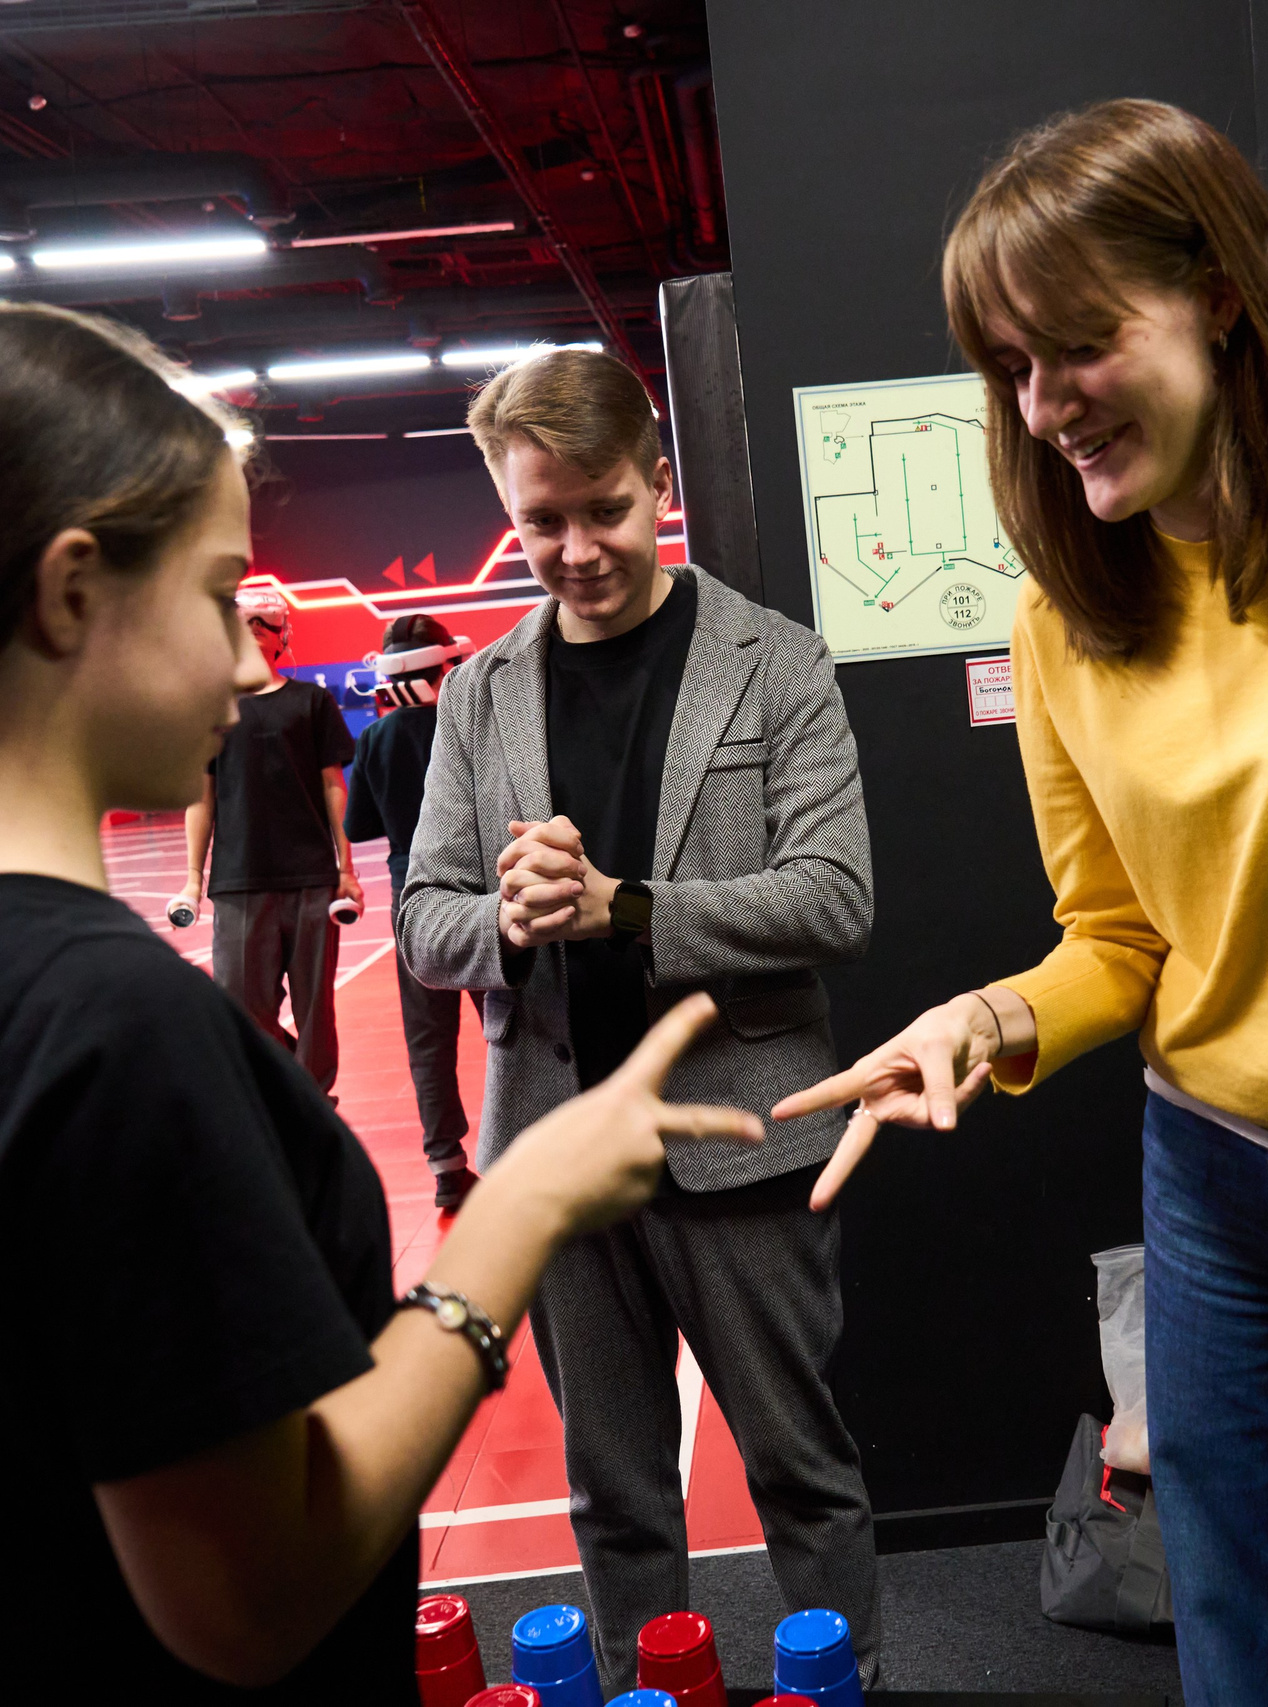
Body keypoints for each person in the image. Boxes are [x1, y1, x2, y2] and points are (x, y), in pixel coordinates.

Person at [0, 298, 762, 1701]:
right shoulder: (99, 1027)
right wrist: (520, 1211)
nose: (246, 660)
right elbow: (250, 1591)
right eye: (220, 597)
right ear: (70, 591)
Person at [774, 101, 1268, 1707]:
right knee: (1254, 1636)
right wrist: (985, 1020)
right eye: (1009, 363)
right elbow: (1122, 940)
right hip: (1211, 1177)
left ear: (1217, 290)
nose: (1044, 402)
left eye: (1075, 340)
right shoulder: (1068, 610)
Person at [395, 348, 882, 1691]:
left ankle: (849, 1684)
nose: (574, 548)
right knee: (613, 1492)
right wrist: (507, 915)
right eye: (540, 520)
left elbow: (836, 895)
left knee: (801, 1469)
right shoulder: (484, 693)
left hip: (744, 1133)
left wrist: (625, 906)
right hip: (559, 1157)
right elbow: (423, 921)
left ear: (657, 482)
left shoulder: (773, 660)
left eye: (602, 508)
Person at [170, 584, 362, 1096]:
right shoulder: (212, 710)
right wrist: (193, 876)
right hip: (238, 880)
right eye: (245, 623)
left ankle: (315, 1103)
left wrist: (345, 868)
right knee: (238, 1005)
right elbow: (200, 797)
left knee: (315, 1009)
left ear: (282, 638)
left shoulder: (312, 702)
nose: (256, 632)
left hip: (312, 879)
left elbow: (331, 787)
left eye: (266, 624)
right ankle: (296, 1088)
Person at [346, 612, 483, 1211]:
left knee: (428, 1033)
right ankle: (535, 1140)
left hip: (411, 893)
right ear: (444, 663)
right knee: (510, 1019)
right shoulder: (470, 721)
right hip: (481, 885)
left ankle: (446, 1165)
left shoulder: (376, 738)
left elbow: (360, 826)